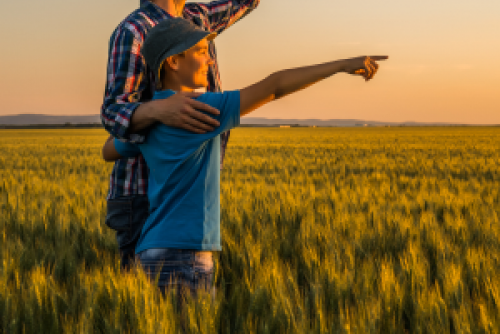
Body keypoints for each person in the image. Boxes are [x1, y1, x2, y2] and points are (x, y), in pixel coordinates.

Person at [102, 17, 388, 302]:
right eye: (202, 51)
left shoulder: (151, 117)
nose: (210, 61)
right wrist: (340, 66)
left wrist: (148, 113)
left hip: (149, 251)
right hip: (184, 255)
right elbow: (274, 86)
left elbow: (109, 150)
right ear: (174, 62)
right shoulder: (201, 109)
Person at [101, 0, 262, 270]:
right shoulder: (133, 31)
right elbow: (113, 112)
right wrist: (161, 110)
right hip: (142, 194)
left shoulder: (196, 19)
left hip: (182, 193)